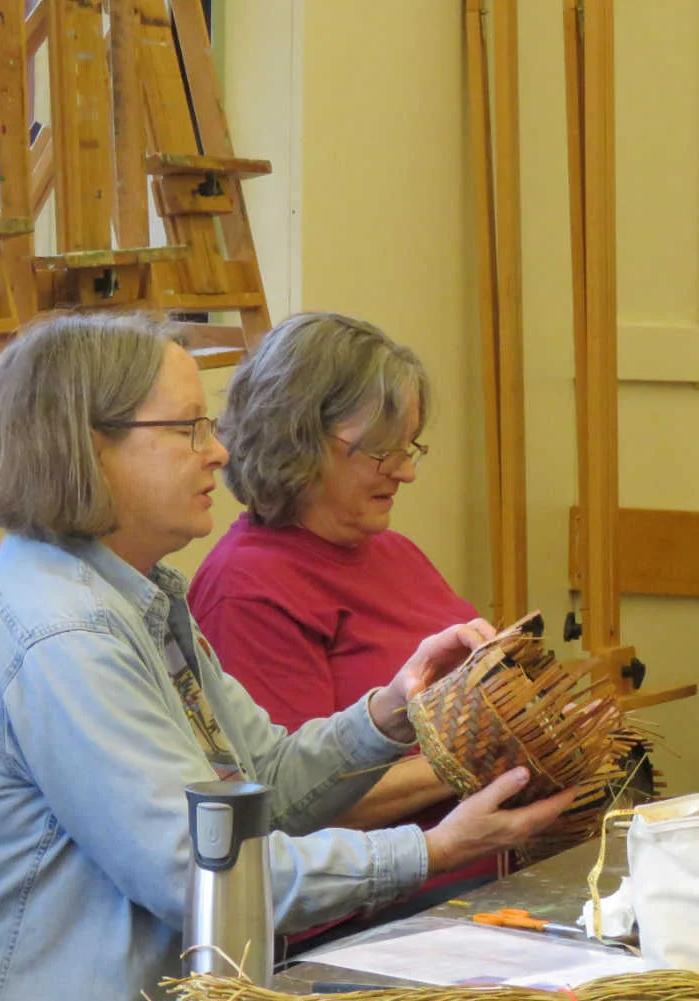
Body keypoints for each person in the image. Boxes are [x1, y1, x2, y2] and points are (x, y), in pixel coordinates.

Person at [0, 312, 575, 1001]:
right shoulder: (63, 634)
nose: (218, 451)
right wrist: (433, 848)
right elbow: (192, 869)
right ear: (89, 444)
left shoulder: (133, 597)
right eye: (188, 429)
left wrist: (393, 711)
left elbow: (263, 784)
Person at [188, 313, 500, 935]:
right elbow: (293, 809)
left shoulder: (392, 551)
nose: (406, 472)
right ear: (297, 440)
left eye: (409, 447)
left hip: (480, 876)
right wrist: (481, 758)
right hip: (370, 918)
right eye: (383, 452)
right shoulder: (247, 588)